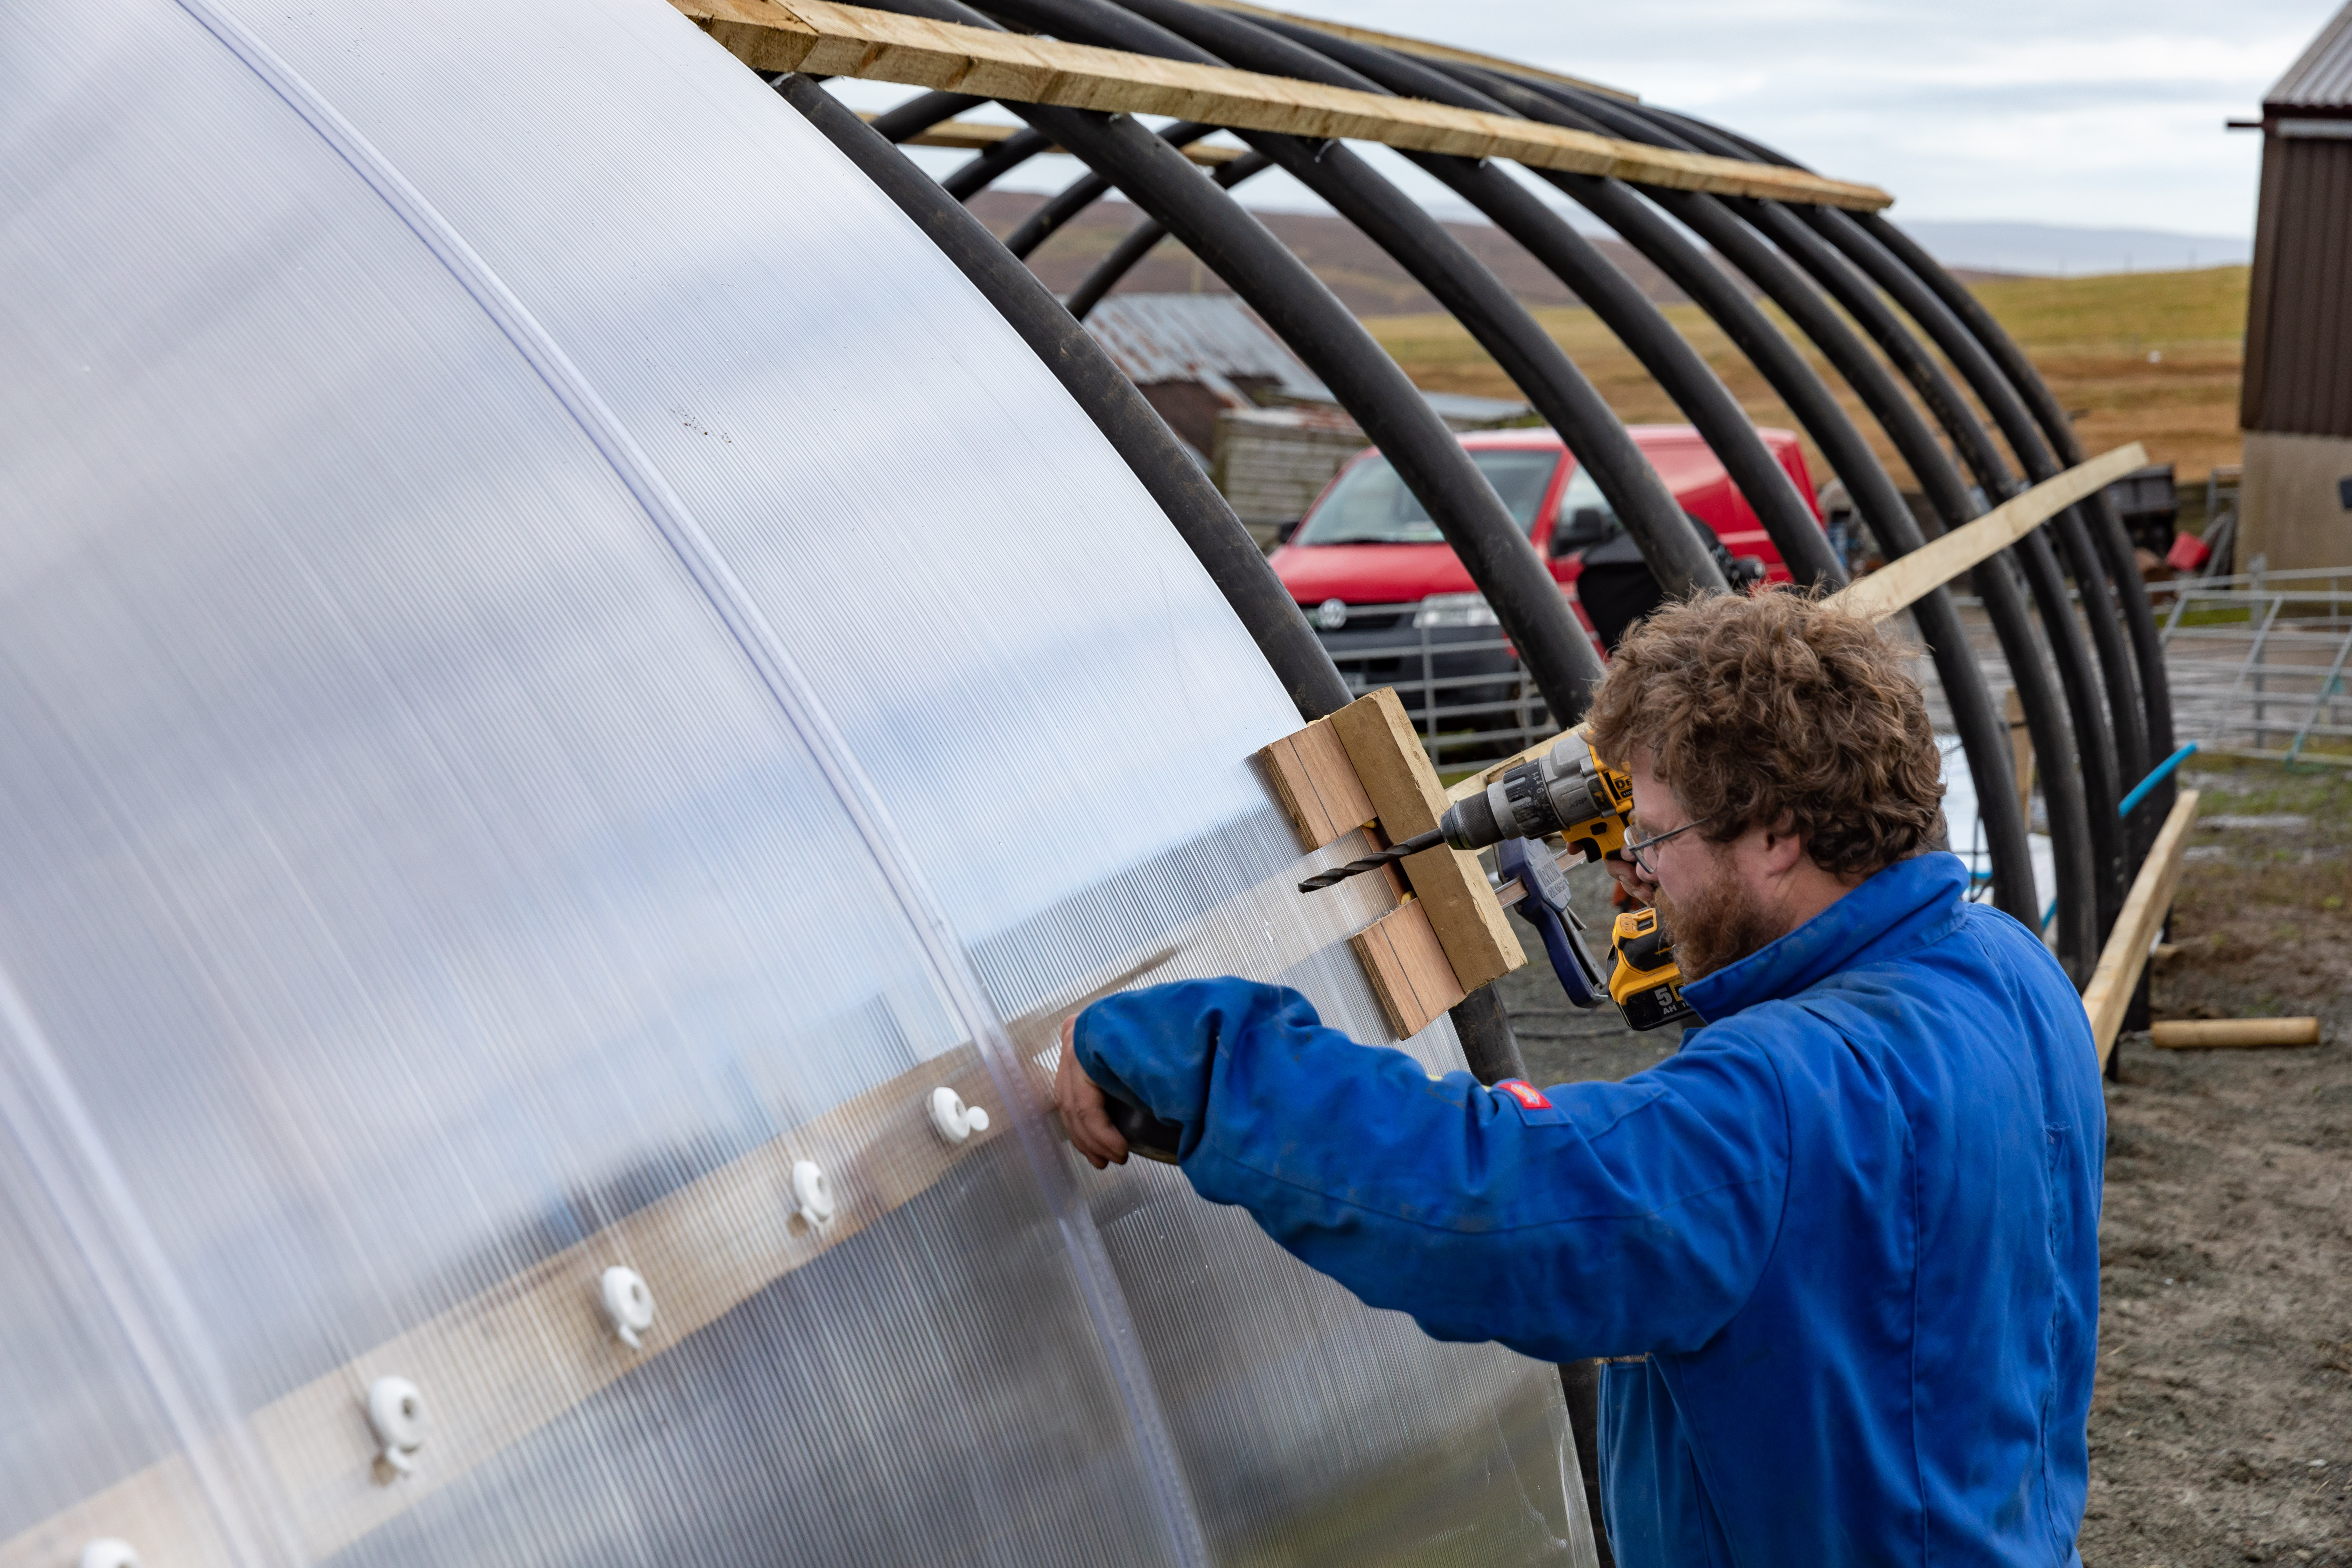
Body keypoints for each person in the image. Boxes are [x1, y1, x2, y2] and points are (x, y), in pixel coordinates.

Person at [1054, 590, 2103, 1568]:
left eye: (1656, 837)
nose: (1633, 873)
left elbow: (1484, 1209)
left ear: (1779, 835)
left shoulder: (1779, 1099)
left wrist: (1192, 1053)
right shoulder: (2010, 970)